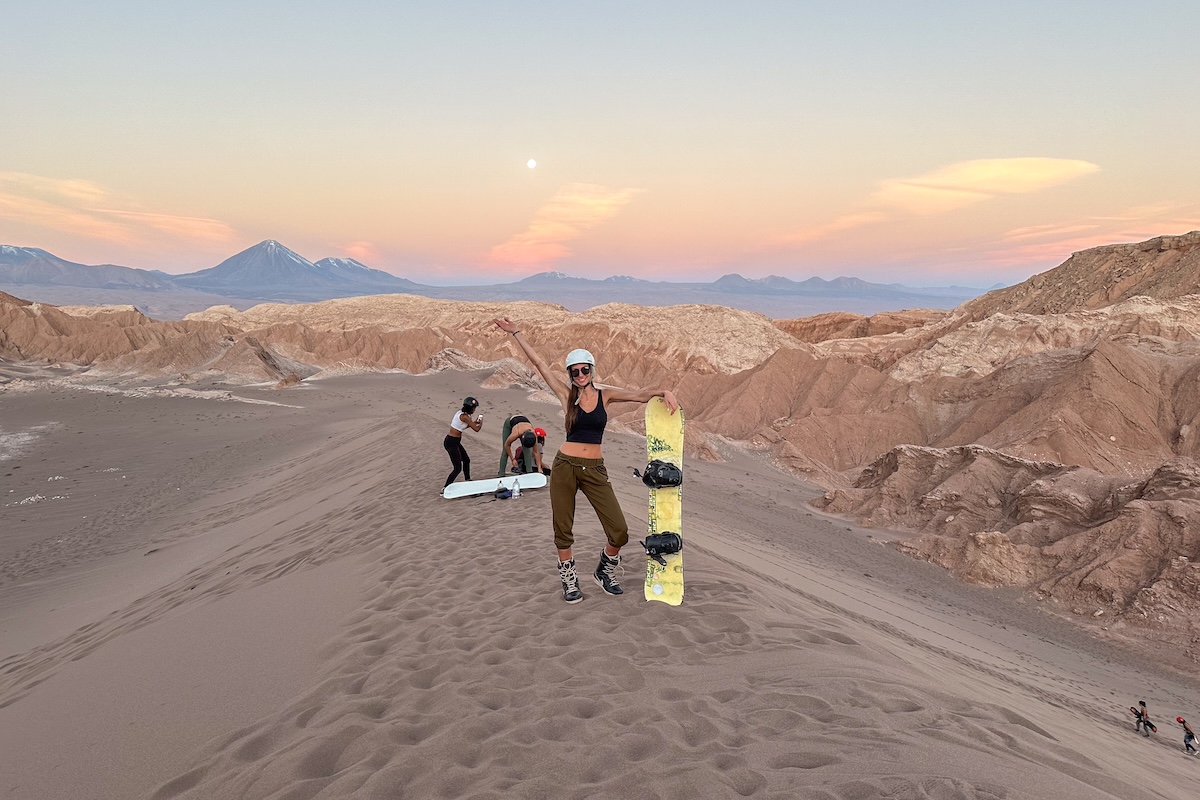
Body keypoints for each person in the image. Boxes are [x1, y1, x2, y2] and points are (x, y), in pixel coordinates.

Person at [494, 317, 679, 603]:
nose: (580, 374)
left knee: (619, 530)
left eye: (584, 369)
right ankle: (569, 580)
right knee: (563, 528)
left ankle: (604, 571)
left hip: (595, 470)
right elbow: (540, 365)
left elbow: (640, 395)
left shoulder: (606, 396)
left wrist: (664, 391)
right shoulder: (566, 395)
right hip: (565, 466)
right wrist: (516, 333)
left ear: (591, 370)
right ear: (570, 374)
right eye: (575, 371)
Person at [444, 396, 482, 488]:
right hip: (451, 442)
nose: (474, 410)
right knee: (457, 468)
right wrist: (480, 422)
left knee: (466, 460)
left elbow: (461, 426)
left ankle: (467, 479)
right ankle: (446, 487)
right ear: (470, 408)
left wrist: (473, 422)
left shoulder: (461, 414)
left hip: (454, 442)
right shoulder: (465, 417)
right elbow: (477, 429)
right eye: (474, 408)